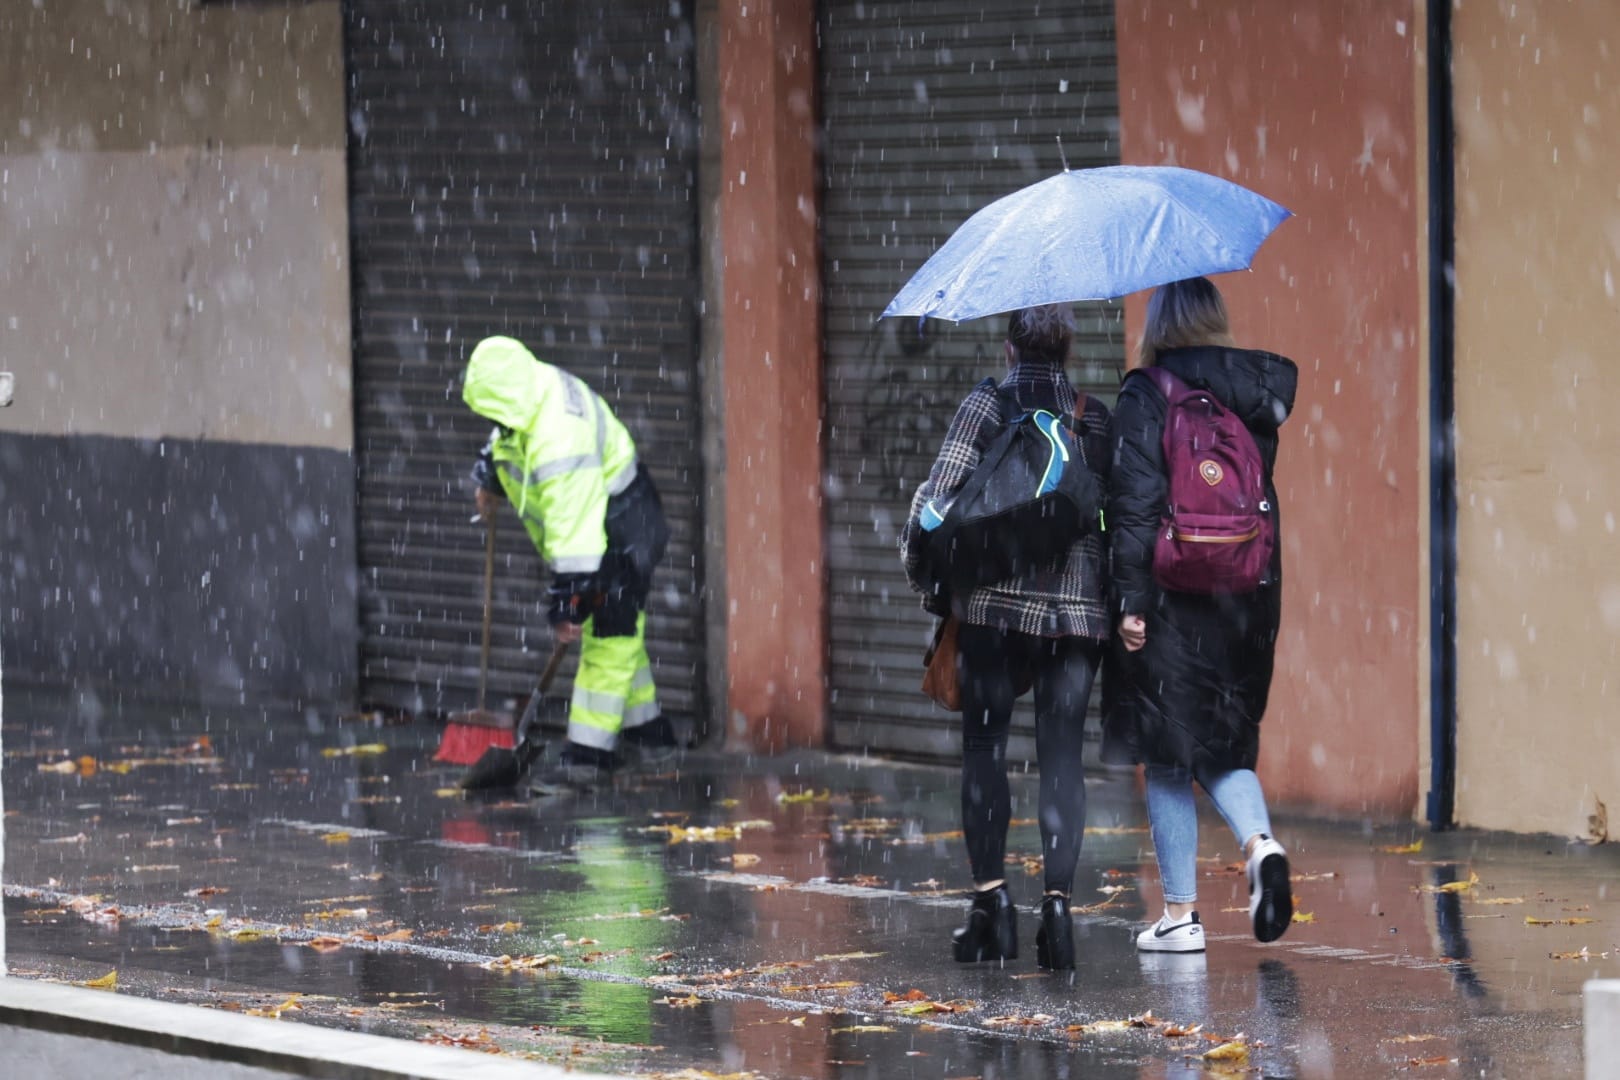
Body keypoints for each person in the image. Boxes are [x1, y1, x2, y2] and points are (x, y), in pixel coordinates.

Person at [900, 304, 1111, 971]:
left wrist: (925, 565)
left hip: (992, 612)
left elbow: (939, 500)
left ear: (1008, 346)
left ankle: (991, 911)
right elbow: (1112, 518)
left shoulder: (987, 403)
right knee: (1062, 758)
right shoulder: (1091, 417)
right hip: (1075, 619)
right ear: (1070, 347)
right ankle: (1056, 911)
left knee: (985, 749)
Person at [1101, 276, 1298, 953]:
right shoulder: (1251, 393)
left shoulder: (1147, 393)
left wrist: (1130, 600)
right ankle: (1260, 844)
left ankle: (1181, 917)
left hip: (1170, 594)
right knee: (1223, 742)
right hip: (1246, 595)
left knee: (1165, 753)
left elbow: (1134, 505)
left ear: (1160, 323)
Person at [462, 335, 675, 785]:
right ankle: (652, 738)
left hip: (621, 533)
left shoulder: (560, 434)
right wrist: (490, 477)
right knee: (621, 637)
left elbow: (576, 530)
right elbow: (506, 438)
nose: (490, 420)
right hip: (606, 528)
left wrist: (568, 604)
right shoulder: (526, 394)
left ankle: (587, 757)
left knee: (610, 639)